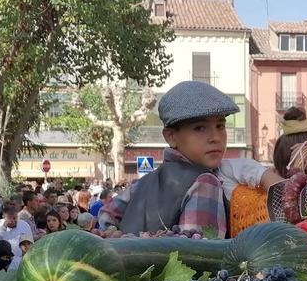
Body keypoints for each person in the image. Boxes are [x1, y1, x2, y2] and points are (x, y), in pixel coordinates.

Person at [100, 82, 282, 238]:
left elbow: (105, 215)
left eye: (220, 126)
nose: (215, 137)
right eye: (200, 128)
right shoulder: (205, 182)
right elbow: (198, 255)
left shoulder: (144, 182)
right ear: (171, 137)